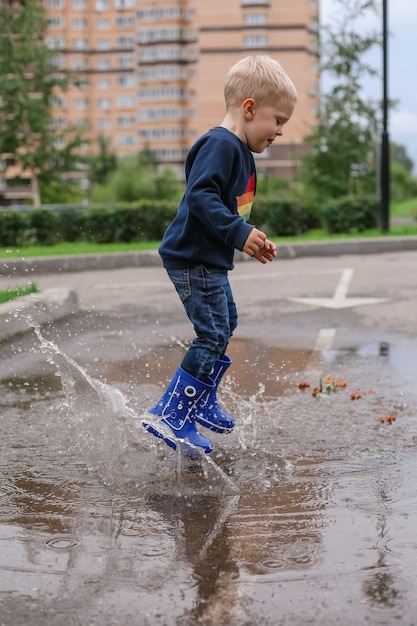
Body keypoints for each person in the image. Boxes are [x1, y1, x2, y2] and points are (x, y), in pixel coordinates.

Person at [143, 55, 297, 454]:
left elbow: (228, 209)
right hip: (192, 257)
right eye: (278, 120)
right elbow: (200, 195)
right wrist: (236, 231)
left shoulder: (240, 150)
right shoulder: (220, 143)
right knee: (211, 333)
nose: (280, 131)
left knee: (225, 323)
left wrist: (250, 239)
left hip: (207, 258)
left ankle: (201, 400)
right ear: (249, 108)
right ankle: (171, 414)